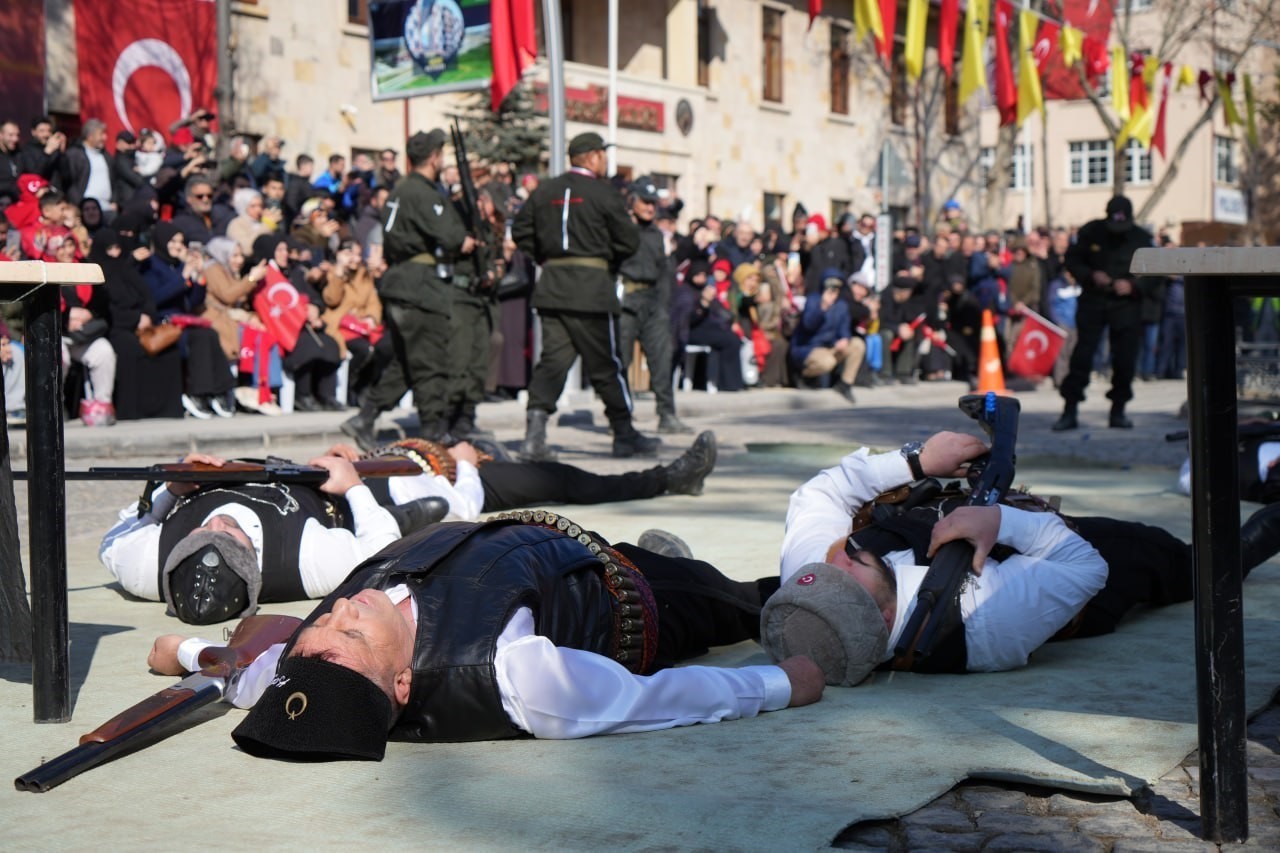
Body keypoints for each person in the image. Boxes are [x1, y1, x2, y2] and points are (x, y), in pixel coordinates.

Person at [147, 515, 824, 761]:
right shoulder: (511, 676)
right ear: (402, 683)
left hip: (547, 552)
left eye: (317, 630)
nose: (331, 615)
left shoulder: (312, 667)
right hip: (636, 596)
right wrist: (776, 683)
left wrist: (186, 651)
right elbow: (647, 699)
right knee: (744, 600)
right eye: (345, 634)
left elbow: (258, 669)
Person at [775, 430, 1280, 679]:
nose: (836, 562)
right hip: (1068, 572)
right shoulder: (982, 625)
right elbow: (1084, 567)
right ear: (884, 618)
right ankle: (1261, 536)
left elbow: (821, 494)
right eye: (847, 577)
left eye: (823, 574)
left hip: (965, 519)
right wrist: (1005, 522)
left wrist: (915, 460)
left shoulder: (812, 580)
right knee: (1174, 564)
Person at [99, 452, 446, 626]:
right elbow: (377, 550)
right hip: (327, 494)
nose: (218, 523)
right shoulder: (307, 562)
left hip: (254, 467)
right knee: (435, 498)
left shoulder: (145, 568)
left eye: (202, 533)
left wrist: (169, 491)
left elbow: (114, 539)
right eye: (232, 538)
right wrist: (353, 485)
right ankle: (401, 518)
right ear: (252, 561)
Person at [511, 131, 658, 462]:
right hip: (591, 289)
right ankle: (624, 433)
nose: (605, 160)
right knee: (606, 364)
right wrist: (604, 260)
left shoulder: (544, 190)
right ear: (591, 157)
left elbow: (520, 230)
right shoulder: (603, 193)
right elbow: (628, 239)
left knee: (552, 362)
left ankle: (534, 436)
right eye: (602, 155)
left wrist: (546, 258)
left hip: (553, 287)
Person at [340, 130, 474, 448]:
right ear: (434, 158)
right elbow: (452, 235)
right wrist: (464, 238)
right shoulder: (423, 192)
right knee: (430, 362)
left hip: (401, 282)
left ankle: (365, 416)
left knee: (406, 362)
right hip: (420, 285)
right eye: (440, 154)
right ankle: (431, 433)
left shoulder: (400, 189)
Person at [336, 428, 718, 523]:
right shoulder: (369, 511)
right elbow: (462, 508)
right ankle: (669, 478)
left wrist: (337, 459)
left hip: (425, 459)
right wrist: (466, 461)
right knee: (563, 480)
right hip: (465, 479)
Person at [1053, 196, 1160, 431]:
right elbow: (1073, 259)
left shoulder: (1141, 238)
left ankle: (1118, 411)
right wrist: (1091, 275)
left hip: (1125, 307)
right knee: (1082, 357)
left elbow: (1156, 273)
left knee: (1124, 360)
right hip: (1094, 301)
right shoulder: (1092, 232)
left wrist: (1133, 286)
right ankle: (1069, 409)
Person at [617, 175, 689, 434]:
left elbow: (663, 273)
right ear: (633, 201)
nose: (650, 207)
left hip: (652, 302)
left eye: (653, 203)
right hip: (626, 301)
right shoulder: (621, 230)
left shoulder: (657, 235)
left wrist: (663, 306)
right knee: (620, 361)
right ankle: (622, 419)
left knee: (661, 358)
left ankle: (666, 414)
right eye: (645, 202)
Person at [789, 271, 859, 402]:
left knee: (857, 344)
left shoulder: (841, 305)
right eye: (830, 289)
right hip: (809, 347)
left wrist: (845, 339)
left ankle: (845, 383)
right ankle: (804, 375)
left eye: (836, 289)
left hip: (830, 346)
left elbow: (845, 328)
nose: (833, 292)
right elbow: (808, 325)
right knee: (827, 362)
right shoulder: (813, 300)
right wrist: (823, 307)